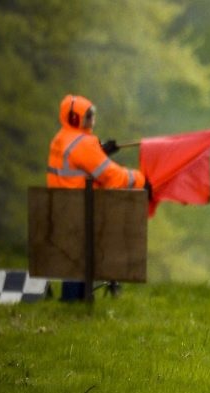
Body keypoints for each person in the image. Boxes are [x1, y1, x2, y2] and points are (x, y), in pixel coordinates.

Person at [47, 94, 147, 300]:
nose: (92, 120)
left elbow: (78, 163)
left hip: (61, 208)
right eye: (88, 116)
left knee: (75, 257)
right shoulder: (83, 144)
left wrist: (101, 151)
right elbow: (115, 178)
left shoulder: (61, 138)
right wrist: (141, 179)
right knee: (84, 255)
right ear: (76, 118)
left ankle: (73, 300)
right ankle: (75, 302)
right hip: (82, 211)